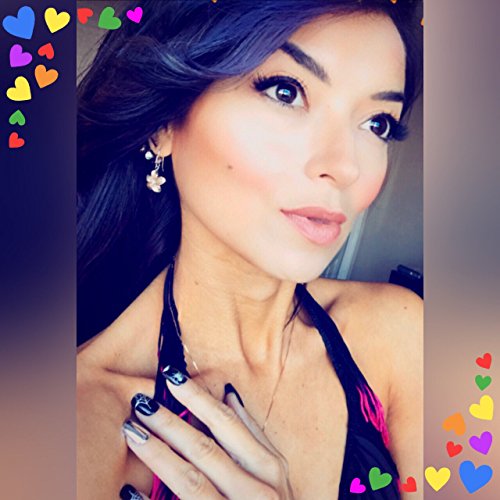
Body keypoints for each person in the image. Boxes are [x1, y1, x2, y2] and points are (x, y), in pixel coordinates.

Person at [77, 0, 423, 498]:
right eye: (286, 92)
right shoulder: (74, 427)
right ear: (164, 123)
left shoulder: (403, 335)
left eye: (377, 124)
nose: (345, 167)